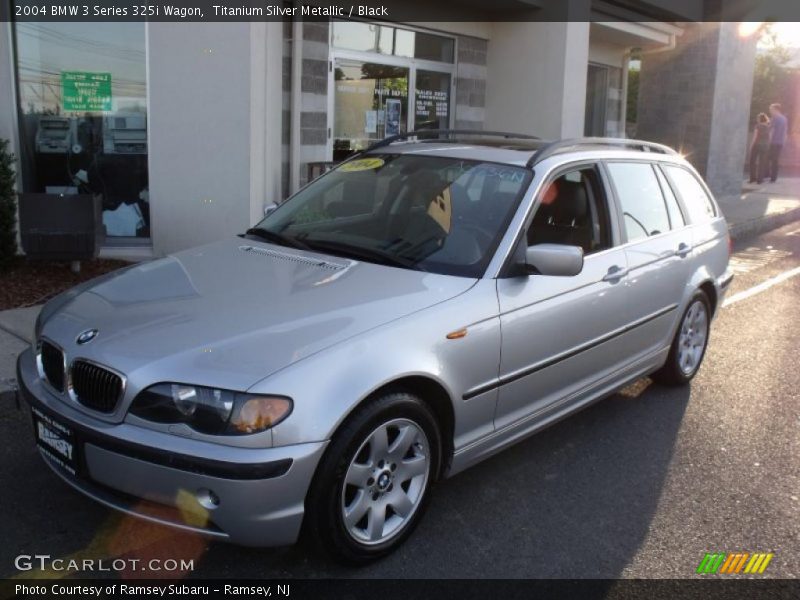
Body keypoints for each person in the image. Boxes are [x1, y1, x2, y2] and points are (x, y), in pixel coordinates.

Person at [768, 103, 788, 182]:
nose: (770, 111)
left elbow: (771, 130)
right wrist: (784, 141)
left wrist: (769, 142)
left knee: (770, 159)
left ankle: (770, 176)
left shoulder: (775, 118)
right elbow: (785, 131)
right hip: (780, 142)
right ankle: (773, 177)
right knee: (775, 160)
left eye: (771, 109)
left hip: (773, 142)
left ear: (776, 109)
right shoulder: (784, 118)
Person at [749, 113, 770, 183]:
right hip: (765, 146)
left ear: (759, 119)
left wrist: (751, 145)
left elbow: (755, 137)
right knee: (762, 163)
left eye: (757, 118)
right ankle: (760, 180)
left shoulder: (758, 126)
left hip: (757, 145)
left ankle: (752, 178)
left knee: (752, 161)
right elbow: (769, 137)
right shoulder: (768, 127)